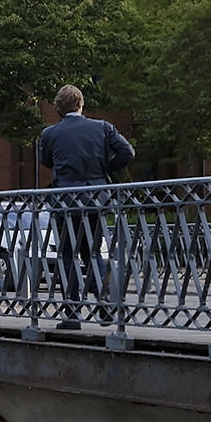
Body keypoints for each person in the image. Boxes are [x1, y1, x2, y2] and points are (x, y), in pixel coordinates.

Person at [37, 85, 135, 327]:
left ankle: (72, 313)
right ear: (81, 104)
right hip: (95, 200)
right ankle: (104, 303)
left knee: (68, 254)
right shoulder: (102, 127)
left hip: (66, 201)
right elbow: (127, 152)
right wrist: (103, 171)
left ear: (58, 109)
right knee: (92, 252)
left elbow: (46, 161)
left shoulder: (50, 133)